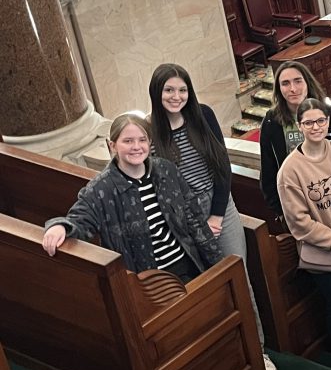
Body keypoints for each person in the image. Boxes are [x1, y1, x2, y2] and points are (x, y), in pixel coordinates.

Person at [148, 63, 278, 370]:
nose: (176, 96)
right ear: (157, 92)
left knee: (238, 276)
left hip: (220, 207)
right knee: (208, 287)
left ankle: (258, 349)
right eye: (169, 90)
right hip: (185, 218)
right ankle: (230, 351)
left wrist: (217, 215)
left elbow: (222, 167)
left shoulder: (202, 115)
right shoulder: (150, 131)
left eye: (182, 89)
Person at [42, 114, 221, 283]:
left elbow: (194, 218)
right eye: (128, 141)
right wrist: (60, 226)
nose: (136, 146)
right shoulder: (100, 188)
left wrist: (218, 265)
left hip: (188, 266)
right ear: (112, 146)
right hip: (146, 281)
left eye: (142, 140)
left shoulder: (166, 170)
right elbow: (80, 219)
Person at [277, 98, 331, 353]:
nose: (315, 127)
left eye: (320, 121)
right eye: (309, 122)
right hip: (323, 251)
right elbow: (299, 221)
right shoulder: (290, 170)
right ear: (300, 126)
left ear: (328, 122)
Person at [259, 61, 331, 219]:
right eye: (285, 83)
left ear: (308, 82)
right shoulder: (272, 120)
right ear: (278, 89)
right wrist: (280, 211)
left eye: (298, 81)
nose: (293, 89)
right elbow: (268, 168)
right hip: (298, 206)